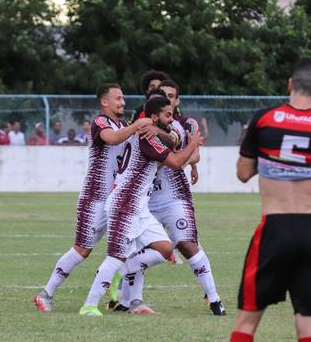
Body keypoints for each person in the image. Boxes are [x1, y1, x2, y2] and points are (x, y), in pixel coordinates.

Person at [231, 59, 311, 342]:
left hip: (276, 227)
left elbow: (243, 173)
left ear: (290, 84)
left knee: (247, 320)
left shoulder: (265, 120)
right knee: (309, 327)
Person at [78, 96, 204, 317]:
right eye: (167, 115)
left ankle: (121, 270)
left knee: (165, 248)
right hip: (125, 202)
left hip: (140, 206)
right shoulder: (147, 137)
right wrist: (193, 144)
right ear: (154, 117)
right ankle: (89, 305)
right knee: (116, 255)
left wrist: (183, 144)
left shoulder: (151, 134)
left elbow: (172, 143)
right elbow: (175, 162)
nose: (172, 118)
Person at [109, 79, 225, 316]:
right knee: (139, 249)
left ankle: (214, 299)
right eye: (163, 97)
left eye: (172, 96)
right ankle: (132, 301)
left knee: (187, 244)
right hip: (146, 199)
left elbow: (182, 146)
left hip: (174, 197)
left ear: (177, 101)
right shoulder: (141, 124)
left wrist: (166, 135)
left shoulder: (183, 123)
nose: (168, 100)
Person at [34, 83, 153, 312]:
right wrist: (137, 125)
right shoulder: (101, 123)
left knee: (132, 247)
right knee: (82, 250)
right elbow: (113, 139)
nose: (123, 102)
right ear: (104, 102)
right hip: (95, 199)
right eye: (118, 99)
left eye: (123, 98)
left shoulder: (125, 125)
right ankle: (46, 294)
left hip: (119, 200)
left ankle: (129, 300)